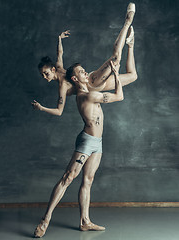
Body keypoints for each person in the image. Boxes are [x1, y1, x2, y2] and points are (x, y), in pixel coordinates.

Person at [34, 60, 124, 238]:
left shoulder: (90, 92)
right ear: (75, 78)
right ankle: (45, 220)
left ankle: (85, 221)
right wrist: (115, 74)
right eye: (82, 72)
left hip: (97, 143)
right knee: (67, 178)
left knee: (88, 180)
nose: (86, 73)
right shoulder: (87, 96)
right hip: (87, 142)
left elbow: (60, 61)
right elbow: (119, 96)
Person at [31, 3, 137, 115]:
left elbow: (59, 111)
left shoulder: (62, 85)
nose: (44, 77)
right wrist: (59, 39)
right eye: (42, 75)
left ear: (53, 69)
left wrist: (41, 108)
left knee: (115, 58)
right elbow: (59, 53)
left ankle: (127, 23)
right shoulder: (59, 68)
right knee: (133, 76)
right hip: (97, 87)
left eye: (45, 73)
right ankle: (130, 45)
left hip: (93, 82)